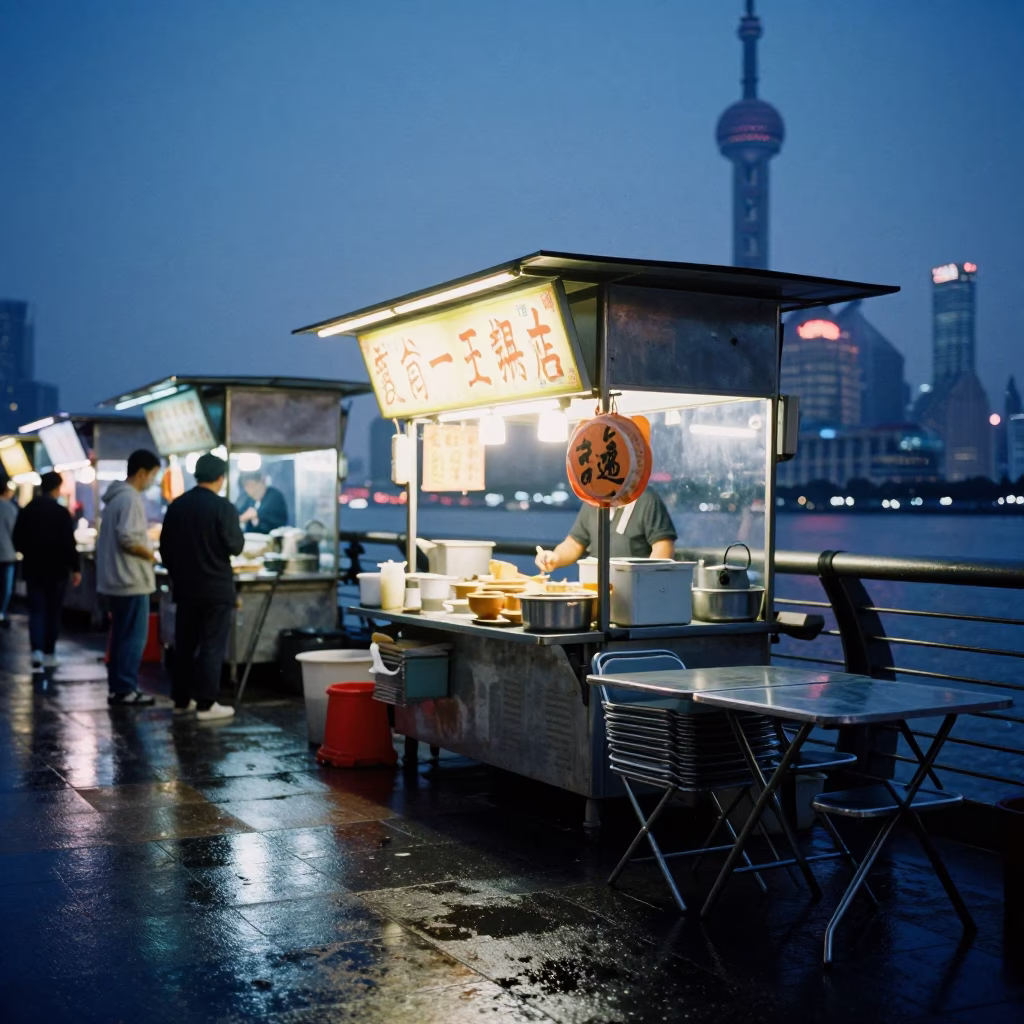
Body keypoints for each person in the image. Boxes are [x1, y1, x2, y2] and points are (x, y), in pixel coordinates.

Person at [160, 453, 244, 721]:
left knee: (185, 645)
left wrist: (178, 575)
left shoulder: (177, 506)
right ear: (221, 478)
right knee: (211, 645)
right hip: (216, 589)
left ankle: (182, 701)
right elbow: (236, 546)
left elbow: (165, 551)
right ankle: (207, 704)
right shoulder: (223, 507)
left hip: (185, 589)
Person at [96, 449, 162, 707]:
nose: (153, 481)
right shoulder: (131, 499)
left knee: (121, 636)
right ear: (142, 473)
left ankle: (118, 688)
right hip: (131, 580)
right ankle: (125, 688)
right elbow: (129, 539)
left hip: (115, 580)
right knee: (133, 636)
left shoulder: (114, 499)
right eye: (154, 475)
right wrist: (152, 555)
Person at [12, 471, 81, 669]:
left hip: (33, 569)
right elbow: (69, 543)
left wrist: (27, 551)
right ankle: (50, 652)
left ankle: (37, 652)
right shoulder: (61, 513)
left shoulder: (27, 510)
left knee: (36, 610)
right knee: (53, 611)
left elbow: (17, 538)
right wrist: (75, 568)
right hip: (57, 570)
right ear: (57, 488)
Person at [535, 488, 678, 572]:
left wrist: (648, 582)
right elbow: (574, 543)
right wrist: (555, 557)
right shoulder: (592, 502)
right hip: (597, 588)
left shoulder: (647, 499)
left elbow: (663, 547)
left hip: (636, 593)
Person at [0, 479, 18, 628]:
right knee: (5, 587)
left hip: (6, 553)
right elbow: (16, 532)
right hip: (7, 554)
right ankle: (1, 612)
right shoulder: (10, 509)